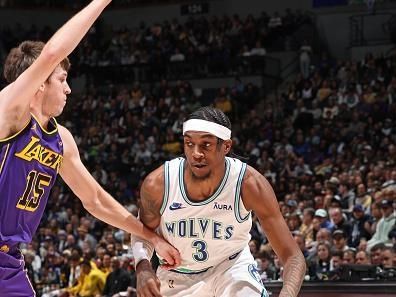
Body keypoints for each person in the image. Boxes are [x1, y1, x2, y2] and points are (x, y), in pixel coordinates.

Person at [0, 1, 179, 296]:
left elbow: (95, 200)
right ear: (39, 84)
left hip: (9, 261)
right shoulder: (9, 112)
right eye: (62, 79)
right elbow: (53, 53)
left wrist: (152, 239)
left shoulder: (61, 140)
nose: (69, 89)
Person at [131, 107, 305, 297]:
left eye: (206, 145)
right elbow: (141, 232)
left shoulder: (249, 184)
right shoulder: (159, 183)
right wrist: (142, 266)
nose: (196, 153)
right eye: (189, 143)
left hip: (231, 267)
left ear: (227, 146)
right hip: (178, 274)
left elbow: (293, 257)